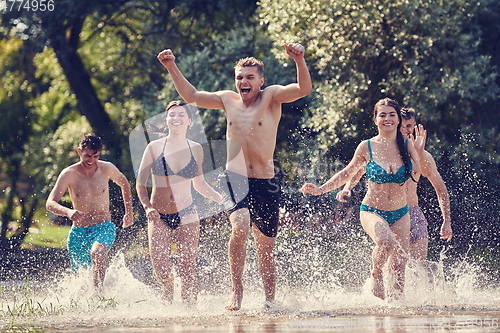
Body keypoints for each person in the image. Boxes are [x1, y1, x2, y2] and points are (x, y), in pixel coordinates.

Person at [157, 43, 312, 310]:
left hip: (266, 182)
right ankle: (236, 292)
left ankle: (270, 300)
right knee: (240, 225)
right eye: (239, 77)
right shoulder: (227, 99)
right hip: (234, 177)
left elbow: (303, 89)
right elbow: (192, 95)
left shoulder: (272, 96)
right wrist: (172, 67)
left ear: (261, 81)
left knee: (265, 249)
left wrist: (299, 60)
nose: (243, 81)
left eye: (250, 77)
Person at [301, 98, 420, 300]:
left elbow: (417, 175)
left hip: (401, 212)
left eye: (392, 114)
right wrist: (321, 189)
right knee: (385, 241)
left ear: (399, 119)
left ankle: (397, 316)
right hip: (372, 210)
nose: (387, 118)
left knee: (400, 265)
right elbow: (348, 172)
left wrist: (418, 154)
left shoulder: (408, 145)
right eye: (382, 115)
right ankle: (376, 274)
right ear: (375, 119)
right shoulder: (366, 147)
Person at [136, 100, 224, 306]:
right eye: (171, 115)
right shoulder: (154, 147)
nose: (176, 118)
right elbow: (140, 184)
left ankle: (190, 313)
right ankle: (168, 306)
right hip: (158, 215)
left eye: (181, 115)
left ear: (189, 121)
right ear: (166, 120)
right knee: (162, 268)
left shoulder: (196, 149)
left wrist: (222, 199)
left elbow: (200, 184)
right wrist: (148, 207)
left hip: (188, 213)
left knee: (187, 267)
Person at [336, 107, 453, 261]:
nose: (405, 130)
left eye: (409, 126)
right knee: (393, 263)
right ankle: (377, 280)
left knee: (420, 265)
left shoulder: (424, 156)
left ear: (415, 126)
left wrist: (447, 221)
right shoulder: (381, 150)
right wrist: (347, 188)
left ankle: (417, 285)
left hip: (413, 213)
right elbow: (358, 169)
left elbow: (440, 189)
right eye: (402, 126)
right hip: (388, 212)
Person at [46, 134, 134, 290]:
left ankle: (98, 296)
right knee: (81, 280)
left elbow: (124, 183)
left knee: (98, 254)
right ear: (79, 151)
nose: (91, 160)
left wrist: (129, 212)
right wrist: (68, 212)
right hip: (79, 231)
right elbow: (50, 203)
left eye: (95, 156)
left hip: (104, 226)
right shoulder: (69, 174)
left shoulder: (107, 168)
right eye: (87, 155)